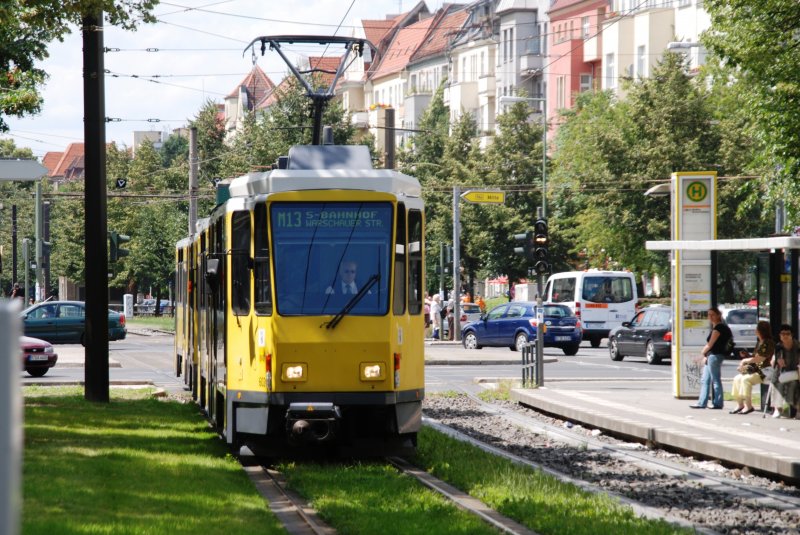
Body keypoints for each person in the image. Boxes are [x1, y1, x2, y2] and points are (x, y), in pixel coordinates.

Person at [690, 306, 732, 410]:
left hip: (715, 356)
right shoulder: (718, 327)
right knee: (705, 379)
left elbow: (710, 344)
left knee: (715, 379)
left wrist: (701, 355)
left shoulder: (719, 328)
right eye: (708, 315)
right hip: (712, 356)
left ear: (719, 315)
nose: (710, 317)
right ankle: (702, 402)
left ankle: (718, 403)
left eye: (713, 314)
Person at [729, 320, 774, 414]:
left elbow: (760, 358)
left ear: (760, 331)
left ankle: (748, 406)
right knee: (737, 378)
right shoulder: (759, 342)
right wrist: (746, 355)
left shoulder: (768, 343)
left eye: (757, 329)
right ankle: (740, 404)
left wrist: (745, 360)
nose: (755, 331)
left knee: (746, 379)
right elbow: (754, 358)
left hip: (764, 371)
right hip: (756, 369)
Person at [768, 324, 800, 419]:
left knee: (795, 384)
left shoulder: (798, 346)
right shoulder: (778, 347)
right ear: (780, 335)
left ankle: (798, 410)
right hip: (781, 373)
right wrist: (775, 361)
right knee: (778, 383)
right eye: (783, 334)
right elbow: (773, 361)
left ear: (792, 335)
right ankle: (778, 409)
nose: (785, 336)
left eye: (787, 333)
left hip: (795, 373)